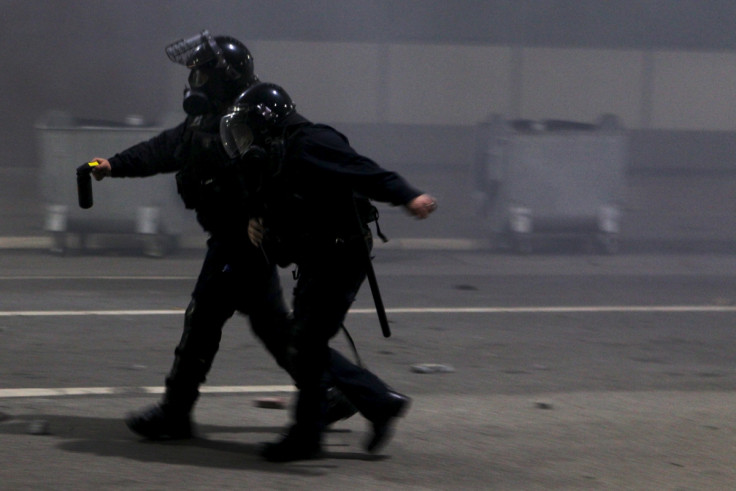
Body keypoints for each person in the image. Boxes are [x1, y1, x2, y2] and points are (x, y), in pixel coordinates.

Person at [86, 31, 400, 443]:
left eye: (201, 71)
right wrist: (115, 164)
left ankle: (176, 413)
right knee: (278, 333)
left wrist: (261, 220)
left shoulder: (247, 120)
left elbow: (269, 180)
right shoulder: (206, 118)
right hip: (234, 239)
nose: (194, 79)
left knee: (205, 319)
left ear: (223, 76)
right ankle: (365, 397)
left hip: (244, 242)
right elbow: (166, 148)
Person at [219, 82, 438, 462]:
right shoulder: (274, 154)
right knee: (304, 343)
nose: (243, 140)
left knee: (305, 346)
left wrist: (408, 196)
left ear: (266, 122)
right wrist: (256, 220)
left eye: (246, 129)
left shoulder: (312, 141)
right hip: (317, 257)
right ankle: (375, 402)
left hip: (341, 255)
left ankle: (310, 434)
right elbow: (267, 196)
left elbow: (367, 172)